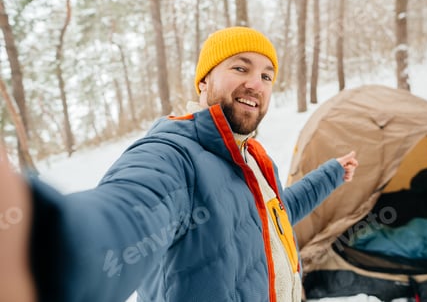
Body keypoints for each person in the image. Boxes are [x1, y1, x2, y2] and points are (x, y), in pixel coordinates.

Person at [0, 26, 358, 302]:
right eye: (240, 67)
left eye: (266, 76)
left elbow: (276, 211)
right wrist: (39, 239)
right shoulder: (173, 153)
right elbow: (127, 214)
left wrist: (333, 173)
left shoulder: (253, 158)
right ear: (204, 81)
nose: (256, 84)